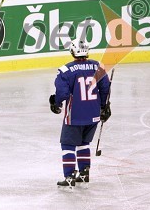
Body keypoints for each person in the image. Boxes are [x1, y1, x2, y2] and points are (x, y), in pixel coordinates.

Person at [49, 39, 111, 189]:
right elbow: (105, 89)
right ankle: (84, 173)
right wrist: (104, 107)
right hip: (94, 115)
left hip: (75, 115)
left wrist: (55, 103)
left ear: (72, 52)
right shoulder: (98, 66)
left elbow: (62, 93)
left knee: (68, 144)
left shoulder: (65, 70)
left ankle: (69, 176)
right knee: (84, 143)